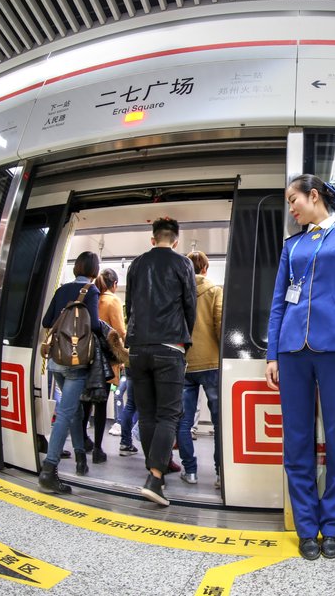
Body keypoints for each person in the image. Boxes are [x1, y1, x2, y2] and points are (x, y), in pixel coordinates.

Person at [265, 174, 335, 561]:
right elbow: (279, 302)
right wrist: (272, 354)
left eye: (293, 199)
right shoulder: (292, 245)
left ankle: (333, 526)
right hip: (292, 352)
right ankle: (306, 526)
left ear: (313, 196)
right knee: (296, 442)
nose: (291, 208)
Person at [126, 217, 196, 506]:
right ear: (176, 241)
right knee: (169, 415)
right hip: (169, 346)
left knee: (146, 414)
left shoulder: (136, 264)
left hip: (137, 347)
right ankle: (155, 478)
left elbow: (129, 305)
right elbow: (190, 305)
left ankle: (154, 473)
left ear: (152, 239)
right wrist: (184, 339)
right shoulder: (183, 264)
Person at [38, 251, 101, 494]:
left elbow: (47, 321)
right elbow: (93, 325)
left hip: (56, 360)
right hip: (76, 362)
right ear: (94, 270)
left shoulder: (62, 289)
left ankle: (80, 458)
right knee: (65, 413)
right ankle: (49, 469)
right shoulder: (91, 291)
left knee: (73, 410)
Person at [177, 251, 223, 488]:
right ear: (205, 268)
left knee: (184, 422)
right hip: (212, 362)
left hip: (185, 363)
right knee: (218, 422)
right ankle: (220, 474)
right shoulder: (214, 290)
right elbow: (219, 324)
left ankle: (190, 471)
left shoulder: (178, 293)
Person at [80, 268, 125, 464]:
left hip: (84, 356)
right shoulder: (112, 301)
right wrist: (122, 356)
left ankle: (83, 441)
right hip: (104, 360)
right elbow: (120, 332)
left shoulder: (86, 297)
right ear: (113, 284)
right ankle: (98, 449)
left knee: (84, 403)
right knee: (100, 404)